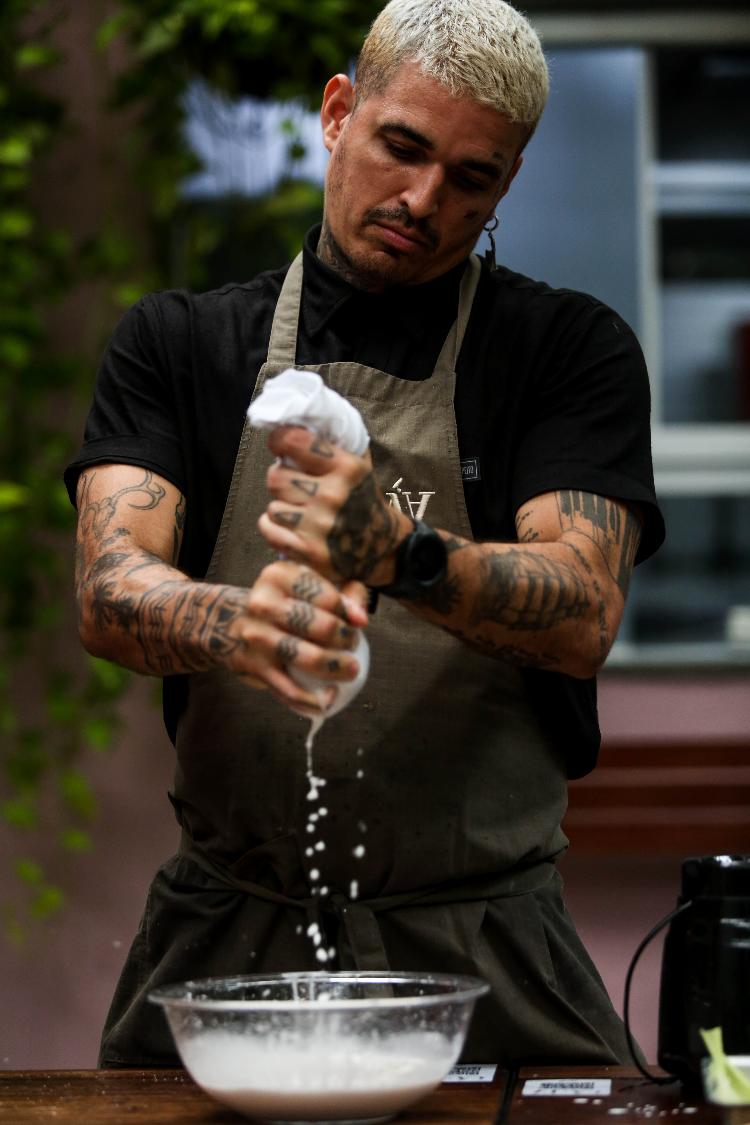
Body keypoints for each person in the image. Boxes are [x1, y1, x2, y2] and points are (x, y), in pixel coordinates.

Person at [66, 0, 664, 1069]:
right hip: (228, 939)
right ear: (339, 112)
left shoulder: (564, 351)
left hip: (493, 946)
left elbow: (581, 613)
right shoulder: (181, 344)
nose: (426, 200)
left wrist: (398, 554)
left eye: (473, 179)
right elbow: (111, 589)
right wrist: (237, 620)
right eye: (403, 147)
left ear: (506, 185)